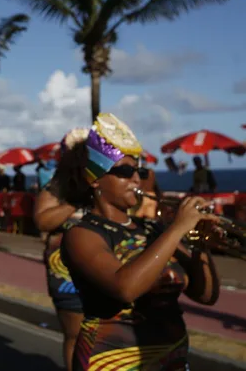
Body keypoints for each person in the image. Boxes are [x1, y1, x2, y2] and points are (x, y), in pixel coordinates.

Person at [61, 114, 221, 370]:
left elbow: (205, 295)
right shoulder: (81, 234)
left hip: (172, 359)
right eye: (125, 171)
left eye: (140, 171)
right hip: (112, 360)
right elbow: (125, 288)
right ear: (95, 180)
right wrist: (178, 227)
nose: (137, 179)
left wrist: (201, 245)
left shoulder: (154, 230)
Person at [33, 127, 90, 371]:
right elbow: (42, 220)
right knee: (76, 335)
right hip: (67, 273)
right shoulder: (58, 187)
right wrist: (75, 203)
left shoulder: (107, 183)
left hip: (106, 269)